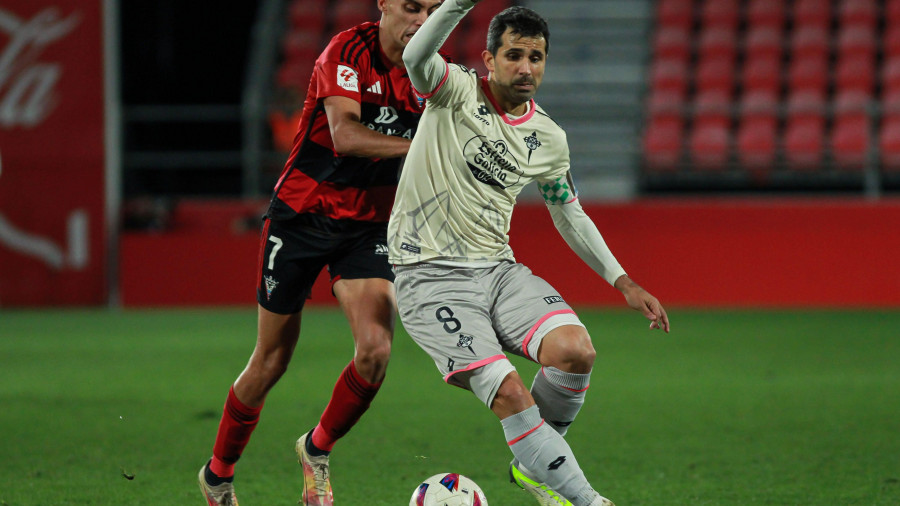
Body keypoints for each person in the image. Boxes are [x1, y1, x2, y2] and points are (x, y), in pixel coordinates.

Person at [388, 2, 671, 505]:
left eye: (536, 57)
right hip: (430, 276)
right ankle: (586, 499)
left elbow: (568, 210)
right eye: (513, 55)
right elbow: (414, 55)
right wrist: (459, 4)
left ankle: (535, 466)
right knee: (511, 391)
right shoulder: (453, 90)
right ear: (488, 60)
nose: (525, 68)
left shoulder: (549, 138)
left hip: (498, 271)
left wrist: (623, 281)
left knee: (575, 350)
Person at [197, 1, 447, 505]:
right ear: (385, 4)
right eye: (411, 7)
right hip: (301, 216)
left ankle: (316, 450)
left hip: (368, 227)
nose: (421, 21)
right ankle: (218, 474)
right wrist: (423, 146)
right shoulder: (348, 50)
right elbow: (345, 135)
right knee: (271, 361)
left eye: (433, 11)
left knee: (375, 352)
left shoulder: (433, 73)